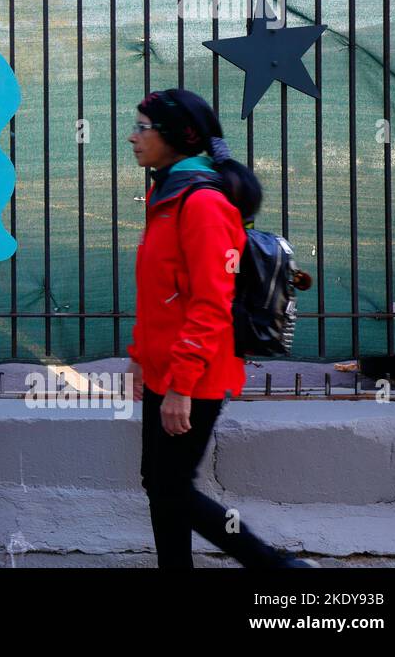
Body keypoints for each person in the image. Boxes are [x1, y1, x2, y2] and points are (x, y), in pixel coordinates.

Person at [127, 88, 315, 569]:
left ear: (173, 136)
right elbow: (162, 292)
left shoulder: (203, 203)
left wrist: (180, 385)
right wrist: (140, 356)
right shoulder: (165, 192)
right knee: (160, 483)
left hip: (196, 372)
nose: (133, 137)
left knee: (170, 484)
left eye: (143, 127)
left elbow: (211, 303)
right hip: (165, 365)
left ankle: (276, 567)